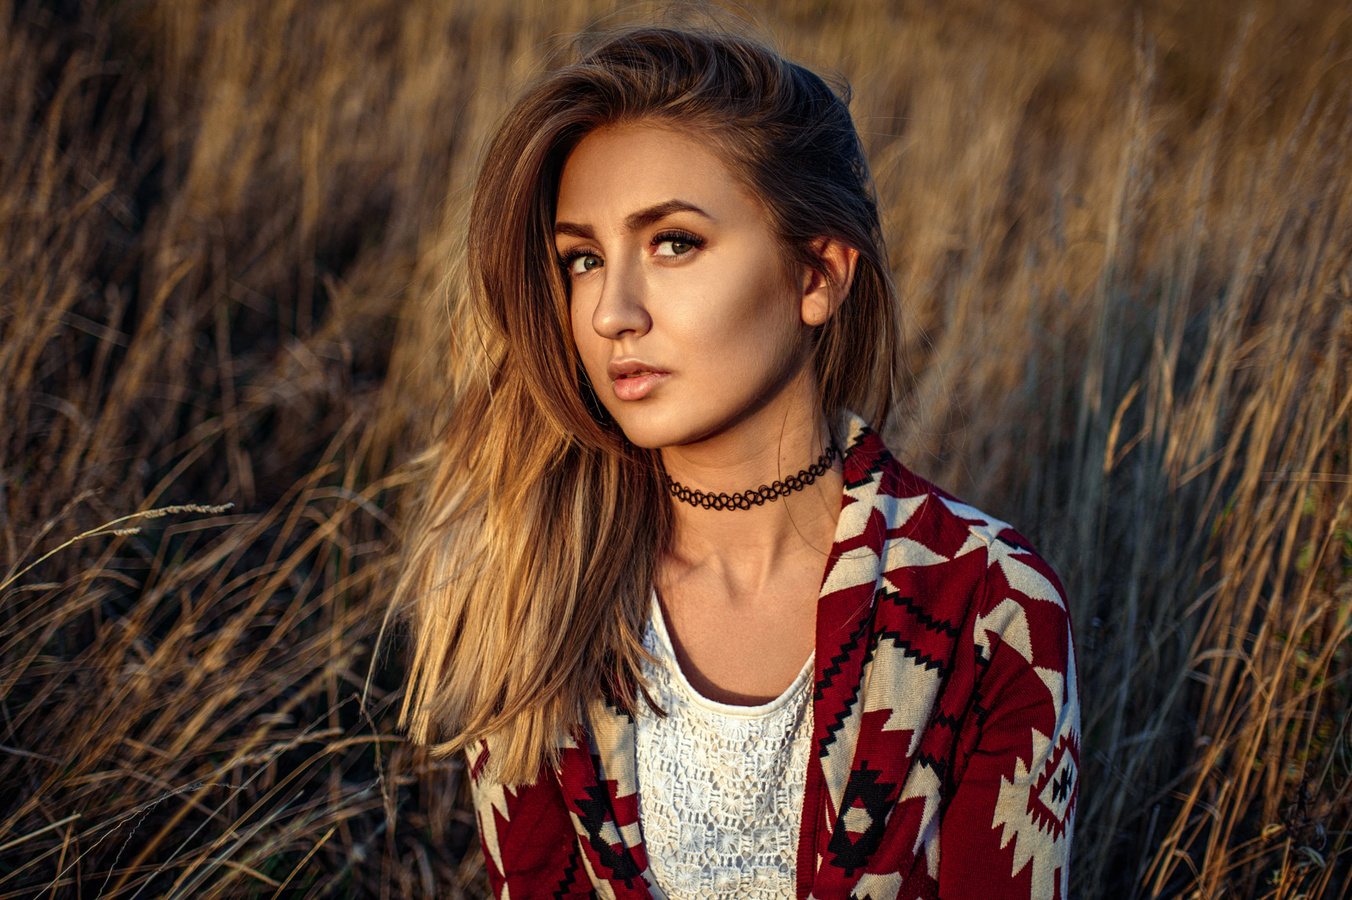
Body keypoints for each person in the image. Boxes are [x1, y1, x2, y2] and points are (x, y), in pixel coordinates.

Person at [390, 23, 1079, 900]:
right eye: (583, 260)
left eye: (673, 242)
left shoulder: (991, 608)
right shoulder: (535, 590)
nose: (610, 313)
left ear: (817, 275)